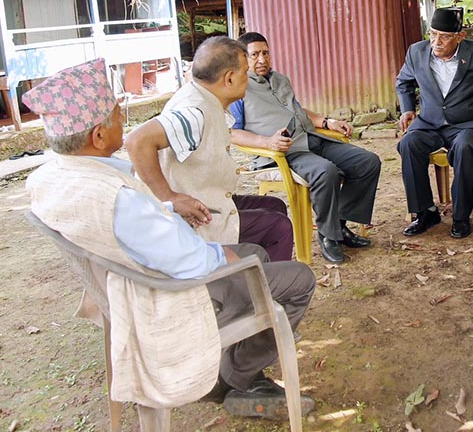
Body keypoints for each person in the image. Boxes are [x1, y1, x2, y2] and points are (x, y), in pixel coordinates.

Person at [24, 58, 316, 419]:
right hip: (167, 295)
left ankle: (243, 353)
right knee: (298, 278)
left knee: (256, 248)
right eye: (117, 117)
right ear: (99, 137)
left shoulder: (48, 178)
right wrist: (229, 259)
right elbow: (193, 261)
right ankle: (237, 377)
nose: (124, 123)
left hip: (129, 283)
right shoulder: (120, 199)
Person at [125, 37, 295, 261]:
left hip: (207, 197)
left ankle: (244, 270)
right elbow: (137, 141)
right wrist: (169, 197)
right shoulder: (196, 112)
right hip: (193, 217)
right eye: (245, 72)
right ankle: (266, 291)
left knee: (274, 205)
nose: (249, 78)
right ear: (230, 79)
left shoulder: (200, 96)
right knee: (278, 227)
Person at [229, 32, 382, 265]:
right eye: (255, 55)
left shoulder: (280, 79)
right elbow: (232, 132)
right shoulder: (238, 89)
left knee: (367, 162)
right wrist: (267, 142)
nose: (262, 60)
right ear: (242, 58)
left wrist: (327, 121)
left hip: (311, 138)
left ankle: (339, 225)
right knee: (325, 171)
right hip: (285, 151)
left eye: (266, 53)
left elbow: (298, 110)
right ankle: (328, 236)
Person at [396, 7, 473, 239]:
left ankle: (460, 216)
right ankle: (425, 212)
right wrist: (407, 109)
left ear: (460, 36)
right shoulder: (416, 52)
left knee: (465, 148)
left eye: (444, 36)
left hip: (467, 124)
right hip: (429, 123)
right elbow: (403, 82)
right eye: (433, 34)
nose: (436, 41)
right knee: (408, 144)